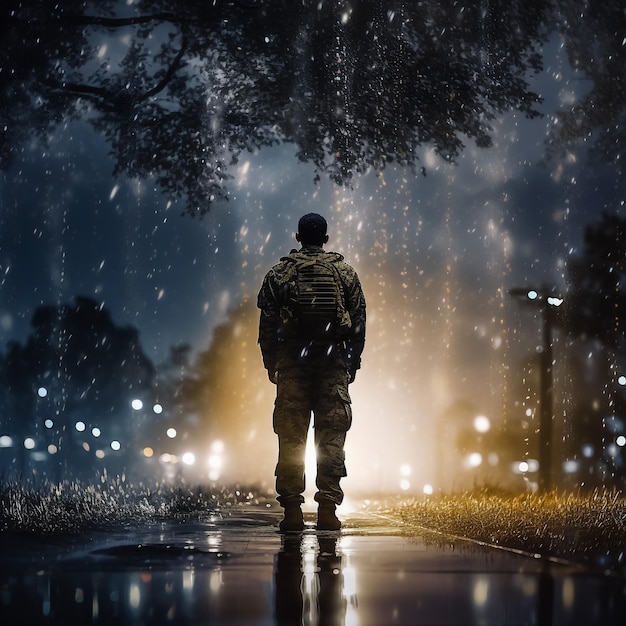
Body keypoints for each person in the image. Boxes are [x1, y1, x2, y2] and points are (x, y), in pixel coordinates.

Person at [257, 213, 366, 531]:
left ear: (297, 237)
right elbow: (358, 321)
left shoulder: (279, 272)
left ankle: (291, 511)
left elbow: (267, 325)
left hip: (293, 365)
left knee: (292, 438)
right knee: (331, 438)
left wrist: (272, 362)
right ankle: (328, 510)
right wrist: (352, 362)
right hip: (332, 365)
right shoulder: (344, 272)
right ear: (326, 239)